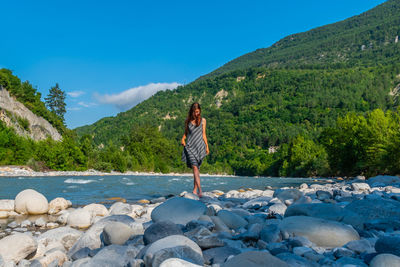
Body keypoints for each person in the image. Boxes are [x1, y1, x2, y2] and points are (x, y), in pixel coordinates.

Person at [181, 102, 209, 197]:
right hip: (190, 146)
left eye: (198, 112)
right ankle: (200, 190)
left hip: (199, 146)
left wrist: (207, 146)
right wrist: (183, 138)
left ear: (200, 111)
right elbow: (186, 133)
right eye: (194, 112)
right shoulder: (187, 121)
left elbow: (203, 134)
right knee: (195, 168)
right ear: (191, 111)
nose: (196, 114)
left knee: (196, 169)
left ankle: (194, 189)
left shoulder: (203, 121)